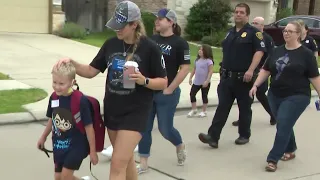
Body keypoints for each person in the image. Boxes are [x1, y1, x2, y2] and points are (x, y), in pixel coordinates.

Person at [55, 1, 168, 179]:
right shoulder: (111, 44)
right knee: (126, 160)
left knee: (117, 165)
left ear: (134, 24)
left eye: (122, 26)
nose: (117, 29)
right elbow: (91, 71)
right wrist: (71, 63)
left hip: (136, 113)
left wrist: (143, 80)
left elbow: (163, 82)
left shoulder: (150, 48)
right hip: (113, 111)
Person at [249, 20, 320, 172]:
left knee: (283, 123)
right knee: (284, 124)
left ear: (299, 35)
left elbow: (314, 78)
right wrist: (255, 85)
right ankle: (291, 148)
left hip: (298, 96)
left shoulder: (307, 55)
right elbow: (266, 69)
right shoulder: (277, 50)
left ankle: (273, 159)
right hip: (275, 94)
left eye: (290, 31)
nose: (286, 33)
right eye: (285, 31)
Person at [198, 3, 266, 148]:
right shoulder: (230, 32)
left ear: (247, 15)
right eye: (236, 12)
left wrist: (250, 70)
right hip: (227, 77)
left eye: (241, 12)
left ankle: (244, 134)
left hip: (244, 78)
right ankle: (213, 137)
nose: (238, 14)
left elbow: (259, 52)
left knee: (244, 108)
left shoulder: (254, 33)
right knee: (222, 107)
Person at [137, 8, 190, 174]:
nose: (157, 21)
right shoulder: (151, 40)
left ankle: (179, 145)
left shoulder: (180, 43)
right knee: (144, 128)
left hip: (167, 93)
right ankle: (144, 162)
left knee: (165, 129)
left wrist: (171, 88)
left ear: (171, 22)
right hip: (149, 90)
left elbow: (185, 68)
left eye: (161, 18)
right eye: (156, 19)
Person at [37, 62, 98, 180]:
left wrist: (93, 151)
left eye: (61, 83)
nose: (57, 86)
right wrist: (43, 137)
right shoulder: (54, 97)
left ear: (72, 82)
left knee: (65, 176)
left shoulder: (80, 100)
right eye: (54, 82)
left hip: (77, 145)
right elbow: (52, 119)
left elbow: (89, 128)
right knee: (58, 177)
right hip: (59, 144)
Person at [232, 16, 276, 126]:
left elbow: (270, 55)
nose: (254, 24)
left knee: (260, 94)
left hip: (261, 71)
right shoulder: (249, 36)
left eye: (256, 23)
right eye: (253, 22)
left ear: (262, 26)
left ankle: (273, 114)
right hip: (248, 70)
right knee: (245, 96)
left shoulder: (267, 38)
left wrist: (265, 68)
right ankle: (243, 119)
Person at [187, 44, 214, 117]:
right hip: (196, 82)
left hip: (205, 82)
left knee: (204, 96)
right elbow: (194, 69)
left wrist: (207, 81)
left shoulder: (209, 61)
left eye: (202, 50)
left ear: (206, 52)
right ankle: (194, 109)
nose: (199, 51)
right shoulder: (197, 60)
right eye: (199, 49)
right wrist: (190, 78)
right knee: (192, 94)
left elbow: (210, 71)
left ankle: (204, 111)